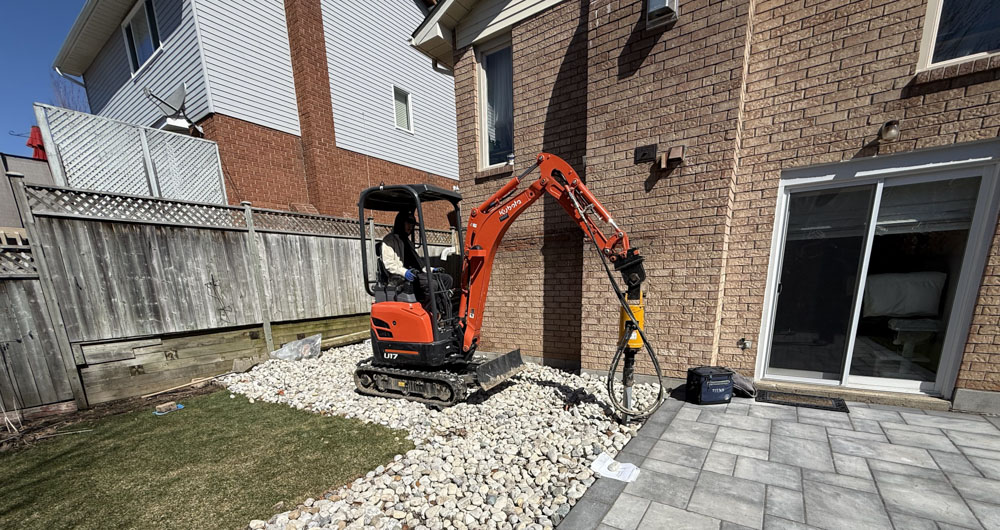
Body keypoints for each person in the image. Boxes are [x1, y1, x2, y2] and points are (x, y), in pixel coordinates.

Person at [381, 210, 454, 315]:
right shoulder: (389, 241)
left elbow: (419, 265)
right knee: (432, 284)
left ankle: (442, 311)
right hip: (399, 278)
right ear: (400, 222)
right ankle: (428, 312)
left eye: (412, 224)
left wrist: (432, 270)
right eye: (408, 223)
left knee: (447, 279)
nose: (410, 226)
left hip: (415, 274)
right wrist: (404, 272)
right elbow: (389, 264)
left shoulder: (407, 242)